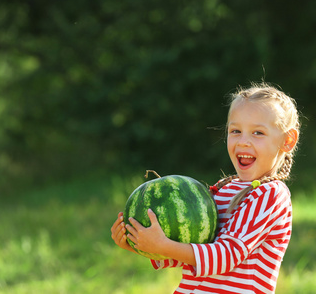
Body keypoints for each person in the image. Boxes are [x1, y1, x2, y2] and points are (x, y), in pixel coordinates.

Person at [111, 82, 300, 294]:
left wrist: (163, 245)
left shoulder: (271, 195)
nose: (243, 142)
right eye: (235, 131)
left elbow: (226, 256)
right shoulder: (222, 190)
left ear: (287, 140)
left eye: (258, 133)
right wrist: (143, 245)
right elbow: (192, 255)